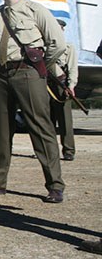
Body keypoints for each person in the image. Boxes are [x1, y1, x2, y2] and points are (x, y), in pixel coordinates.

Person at [0, 0, 66, 202]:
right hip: (1, 75)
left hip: (27, 73)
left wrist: (39, 66)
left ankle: (55, 185)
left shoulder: (36, 10)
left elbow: (57, 43)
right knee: (1, 130)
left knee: (40, 128)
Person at [50, 20, 77, 161]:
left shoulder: (68, 47)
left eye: (59, 28)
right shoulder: (43, 47)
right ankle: (49, 151)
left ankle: (68, 150)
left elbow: (72, 68)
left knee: (65, 121)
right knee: (47, 120)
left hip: (62, 86)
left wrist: (71, 85)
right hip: (45, 85)